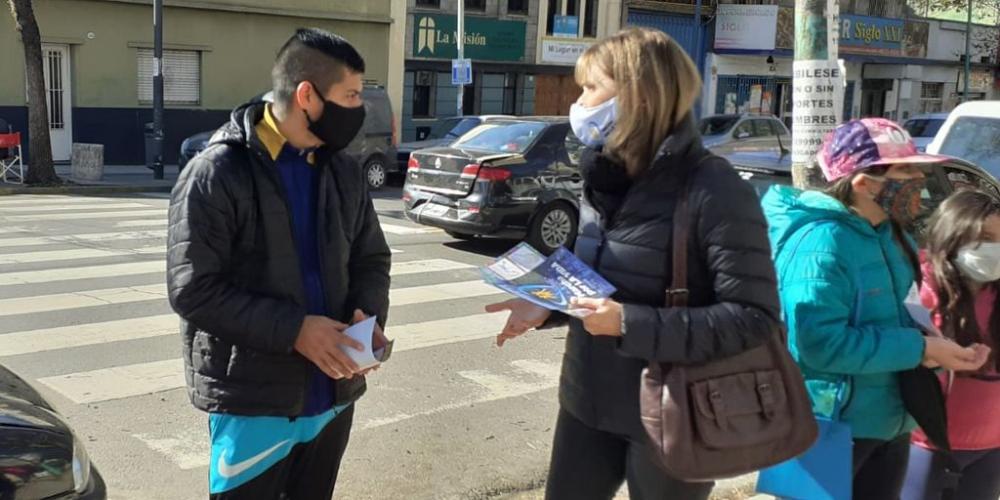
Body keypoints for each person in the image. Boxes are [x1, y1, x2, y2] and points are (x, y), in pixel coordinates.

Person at [486, 28, 783, 500]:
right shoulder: (603, 174)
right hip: (587, 398)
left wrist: (628, 323)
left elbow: (753, 319)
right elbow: (602, 277)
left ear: (638, 96)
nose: (579, 103)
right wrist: (547, 305)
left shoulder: (714, 188)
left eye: (591, 88)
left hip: (676, 409)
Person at [166, 28, 391, 500]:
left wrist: (366, 318)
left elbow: (371, 258)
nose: (360, 109)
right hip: (255, 404)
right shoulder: (217, 172)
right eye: (351, 96)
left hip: (333, 398)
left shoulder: (343, 171)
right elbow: (193, 289)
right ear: (307, 96)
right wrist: (295, 331)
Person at [761, 118, 990, 499]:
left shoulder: (889, 235)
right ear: (863, 183)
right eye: (906, 171)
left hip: (889, 422)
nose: (920, 179)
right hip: (826, 426)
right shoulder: (822, 242)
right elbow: (818, 344)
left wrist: (936, 350)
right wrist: (920, 348)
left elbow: (901, 316)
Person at [902, 190, 1000, 500]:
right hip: (925, 443)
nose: (995, 248)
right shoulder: (919, 286)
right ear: (954, 234)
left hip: (990, 446)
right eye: (985, 238)